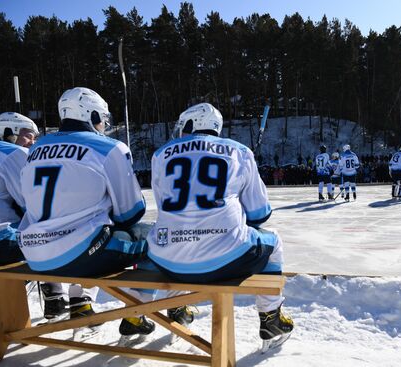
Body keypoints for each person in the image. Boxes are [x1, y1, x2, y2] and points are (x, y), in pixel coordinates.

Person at [147, 103, 293, 352]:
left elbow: (165, 207)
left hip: (169, 260)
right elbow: (260, 213)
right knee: (273, 240)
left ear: (190, 125)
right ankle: (271, 317)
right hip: (225, 259)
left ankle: (177, 309)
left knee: (176, 243)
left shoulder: (162, 154)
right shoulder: (239, 151)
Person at [17, 87, 154, 341]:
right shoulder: (108, 147)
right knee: (154, 236)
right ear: (91, 115)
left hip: (34, 254)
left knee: (86, 228)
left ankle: (80, 302)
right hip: (77, 255)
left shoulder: (36, 149)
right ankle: (138, 310)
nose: (103, 125)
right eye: (102, 118)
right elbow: (131, 213)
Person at [0, 112, 38, 267]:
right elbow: (32, 205)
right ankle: (56, 290)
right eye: (29, 136)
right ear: (10, 132)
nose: (33, 143)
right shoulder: (15, 153)